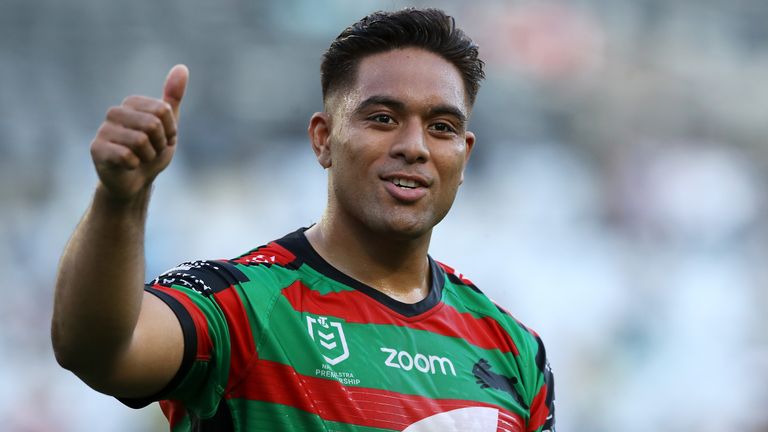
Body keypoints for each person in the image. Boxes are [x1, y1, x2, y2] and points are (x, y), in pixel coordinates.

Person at [52, 8, 555, 432]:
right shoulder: (243, 303)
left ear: (464, 157)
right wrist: (120, 200)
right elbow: (97, 349)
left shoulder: (513, 348)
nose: (414, 147)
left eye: (441, 127)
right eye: (382, 118)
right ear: (323, 138)